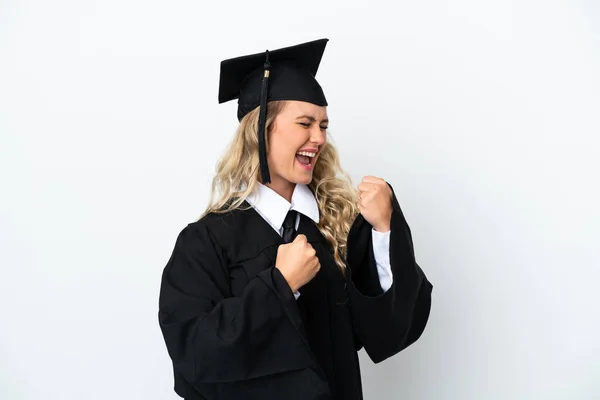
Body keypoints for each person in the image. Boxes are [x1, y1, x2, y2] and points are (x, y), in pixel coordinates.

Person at [158, 38, 433, 400]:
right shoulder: (206, 241)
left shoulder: (335, 225)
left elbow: (388, 331)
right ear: (261, 129)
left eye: (323, 125)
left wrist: (384, 231)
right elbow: (195, 357)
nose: (319, 138)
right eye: (305, 123)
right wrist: (279, 285)